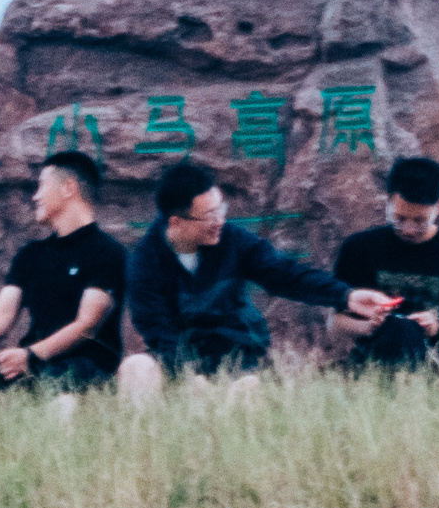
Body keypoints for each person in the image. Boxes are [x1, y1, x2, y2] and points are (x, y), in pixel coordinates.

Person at [119, 159, 397, 398]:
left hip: (235, 355)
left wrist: (345, 295)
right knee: (136, 369)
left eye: (221, 209)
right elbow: (160, 332)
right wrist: (190, 375)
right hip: (179, 357)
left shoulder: (233, 241)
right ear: (176, 222)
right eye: (209, 215)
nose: (220, 221)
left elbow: (285, 274)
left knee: (246, 390)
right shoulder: (144, 263)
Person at [0, 150, 131, 402]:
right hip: (31, 362)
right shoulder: (32, 253)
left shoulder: (108, 252)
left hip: (85, 364)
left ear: (69, 188)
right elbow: (4, 308)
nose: (35, 197)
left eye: (42, 186)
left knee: (63, 396)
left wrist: (31, 355)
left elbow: (87, 326)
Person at [330, 156, 439, 378]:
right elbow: (337, 323)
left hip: (436, 372)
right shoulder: (360, 248)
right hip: (371, 367)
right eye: (399, 218)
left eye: (420, 221)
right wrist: (370, 325)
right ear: (388, 201)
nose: (408, 229)